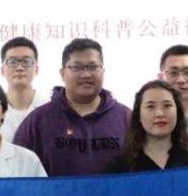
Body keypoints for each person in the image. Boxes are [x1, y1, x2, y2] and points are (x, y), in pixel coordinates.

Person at [13, 38, 130, 176]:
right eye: (76, 67)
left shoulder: (125, 118)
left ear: (103, 71)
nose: (86, 74)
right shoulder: (37, 121)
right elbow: (17, 171)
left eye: (93, 67)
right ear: (62, 73)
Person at [105, 80, 188, 172]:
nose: (160, 114)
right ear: (139, 116)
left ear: (177, 112)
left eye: (167, 105)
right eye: (150, 106)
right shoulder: (121, 168)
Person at [0, 36, 46, 141]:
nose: (19, 68)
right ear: (2, 70)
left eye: (26, 61)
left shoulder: (50, 108)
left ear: (36, 69)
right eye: (12, 62)